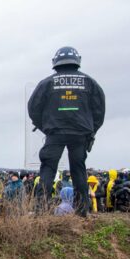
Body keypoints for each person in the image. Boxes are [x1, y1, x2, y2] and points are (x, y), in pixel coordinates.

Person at [28, 46, 105, 217]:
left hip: (54, 132)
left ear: (55, 62)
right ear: (77, 61)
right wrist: (91, 131)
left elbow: (33, 108)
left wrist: (45, 127)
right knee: (79, 170)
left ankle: (41, 211)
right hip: (80, 133)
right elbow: (99, 111)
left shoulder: (47, 83)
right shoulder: (90, 82)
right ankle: (82, 211)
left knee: (48, 169)